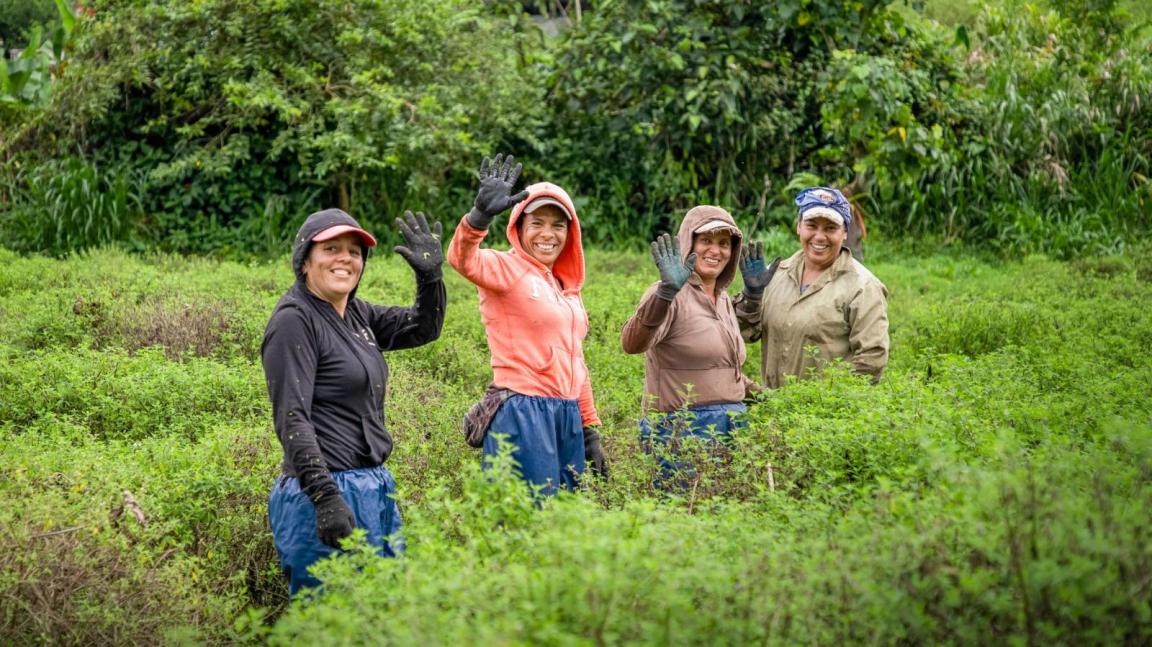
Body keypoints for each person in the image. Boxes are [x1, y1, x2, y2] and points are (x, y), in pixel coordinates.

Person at [261, 208, 446, 595]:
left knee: (382, 613)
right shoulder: (294, 320)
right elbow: (292, 418)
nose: (345, 258)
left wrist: (430, 278)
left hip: (373, 487)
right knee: (332, 619)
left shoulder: (357, 314)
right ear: (305, 260)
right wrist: (325, 497)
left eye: (354, 251)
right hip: (322, 490)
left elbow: (424, 328)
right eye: (331, 248)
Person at [447, 154, 605, 494]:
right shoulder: (506, 268)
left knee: (565, 521)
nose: (548, 234)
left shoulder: (567, 289)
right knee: (523, 520)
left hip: (566, 414)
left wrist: (589, 425)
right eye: (537, 223)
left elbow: (576, 360)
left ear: (570, 233)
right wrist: (479, 218)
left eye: (558, 225)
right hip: (523, 410)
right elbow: (462, 259)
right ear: (518, 228)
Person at [620, 206, 758, 484]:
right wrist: (664, 294)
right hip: (681, 428)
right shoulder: (670, 293)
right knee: (683, 515)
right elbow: (632, 343)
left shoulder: (721, 298)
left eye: (724, 244)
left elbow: (720, 369)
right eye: (705, 241)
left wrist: (766, 396)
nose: (715, 251)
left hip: (730, 426)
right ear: (688, 243)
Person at [735, 187, 888, 389]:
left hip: (825, 415)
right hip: (772, 411)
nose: (819, 236)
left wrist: (827, 405)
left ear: (844, 233)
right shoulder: (776, 275)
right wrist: (752, 296)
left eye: (830, 228)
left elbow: (872, 359)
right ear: (799, 226)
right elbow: (746, 334)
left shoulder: (863, 286)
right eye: (811, 225)